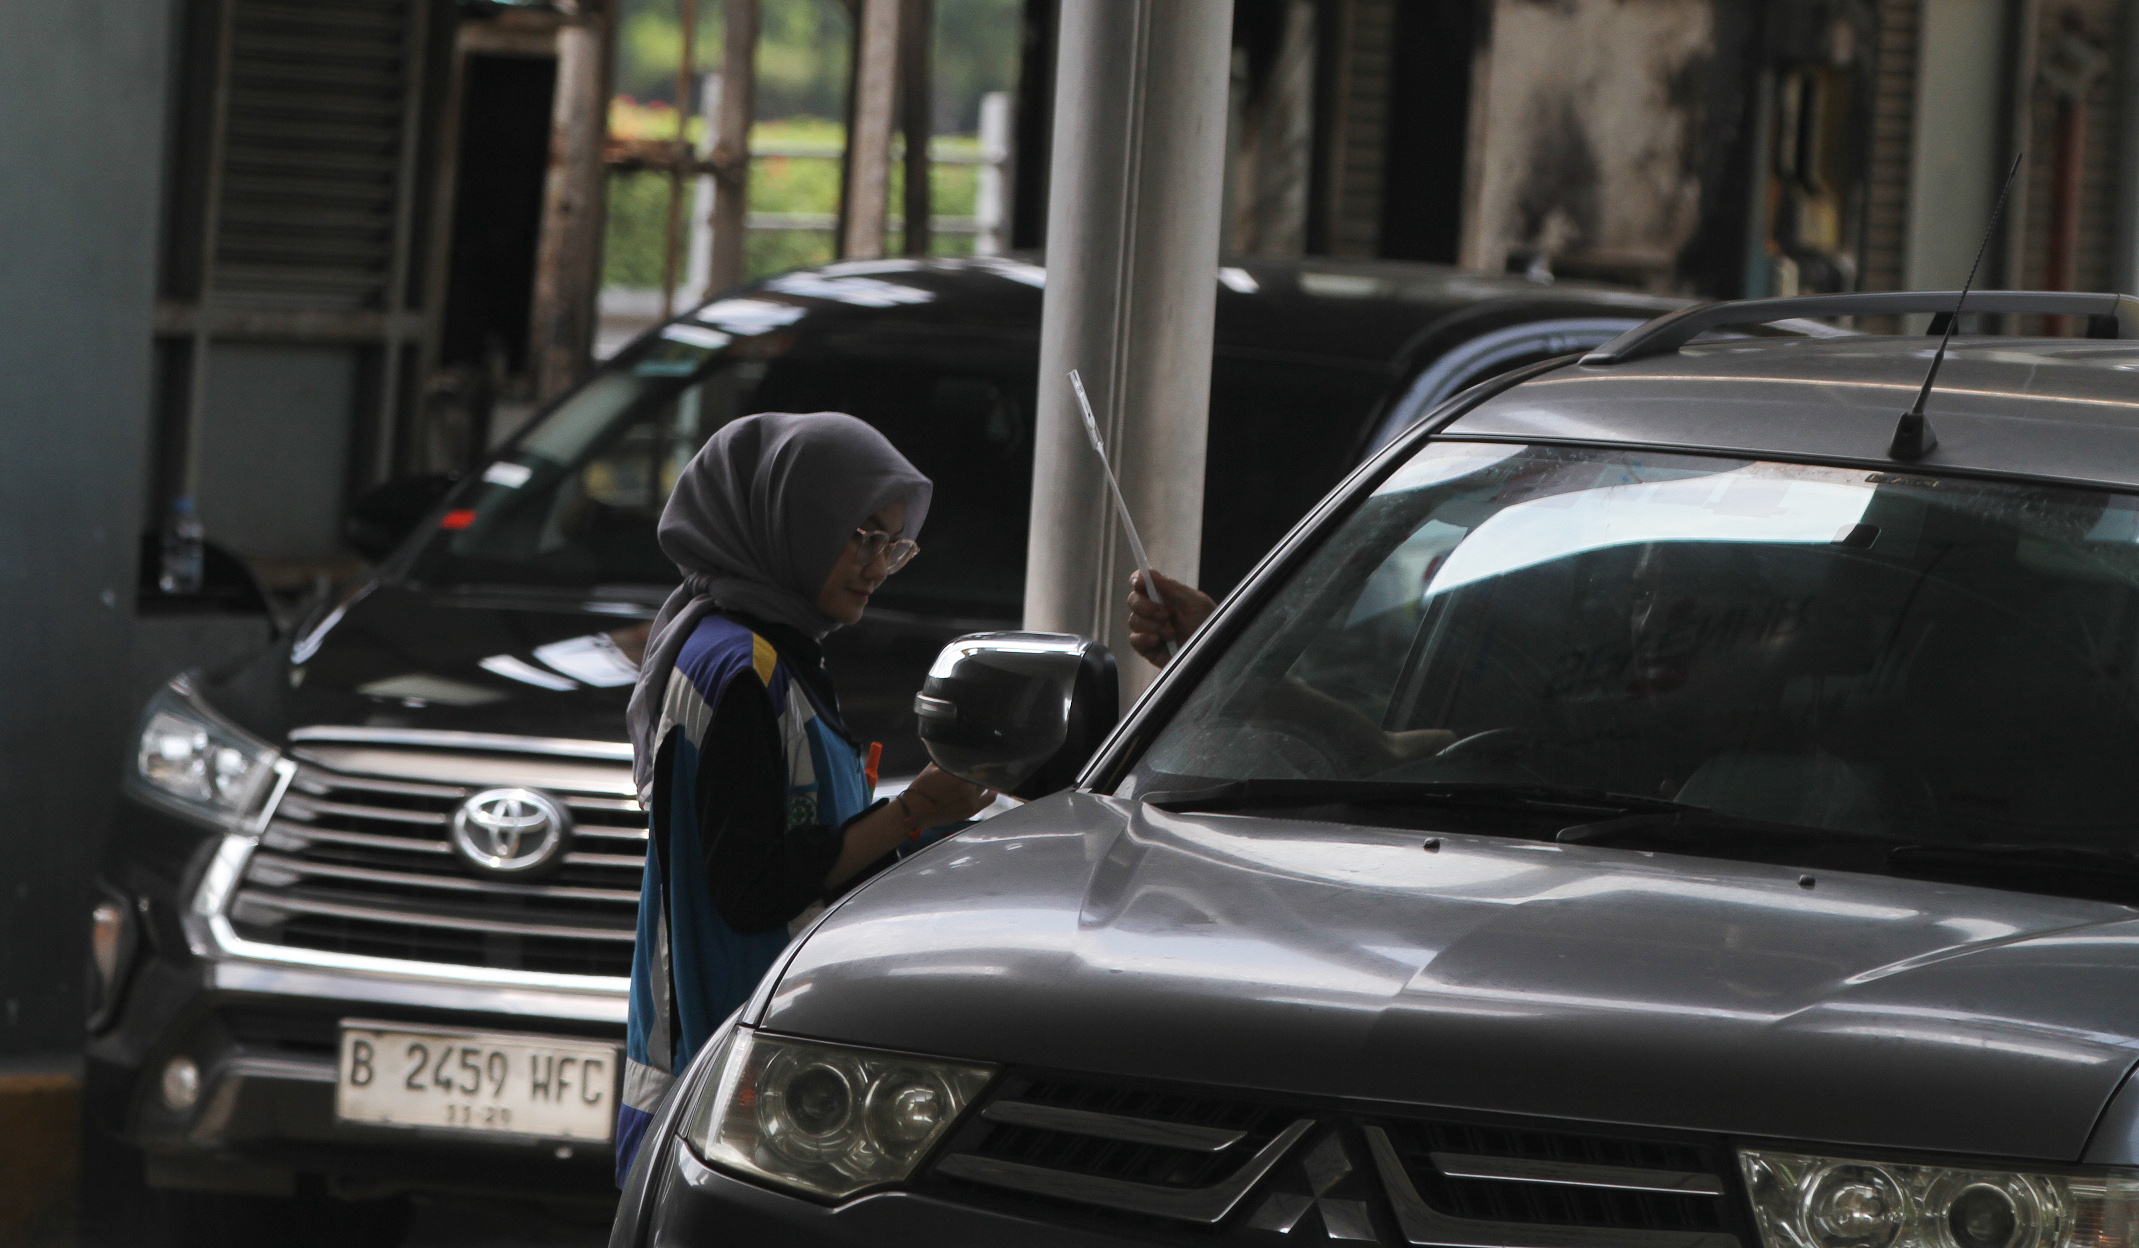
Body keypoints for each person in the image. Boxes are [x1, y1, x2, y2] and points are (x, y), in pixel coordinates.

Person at [615, 411, 995, 1181]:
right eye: (860, 535)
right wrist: (911, 811)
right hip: (717, 1082)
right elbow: (753, 888)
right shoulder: (737, 669)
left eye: (894, 543)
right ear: (789, 519)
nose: (878, 564)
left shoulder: (777, 652)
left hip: (762, 1062)